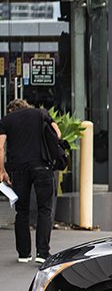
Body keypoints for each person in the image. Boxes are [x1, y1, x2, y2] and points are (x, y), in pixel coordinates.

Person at [0, 99, 61, 264]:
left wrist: (2, 171)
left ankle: (23, 254)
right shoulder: (41, 113)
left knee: (22, 211)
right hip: (42, 166)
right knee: (44, 210)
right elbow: (57, 134)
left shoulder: (6, 120)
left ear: (11, 110)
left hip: (18, 169)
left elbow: (0, 146)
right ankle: (42, 253)